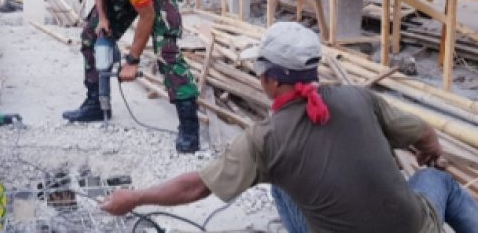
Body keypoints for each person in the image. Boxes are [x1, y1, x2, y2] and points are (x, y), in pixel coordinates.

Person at [100, 22, 478, 233]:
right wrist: (430, 154)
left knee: (280, 185)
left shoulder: (265, 139)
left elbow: (196, 187)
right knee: (440, 183)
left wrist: (134, 198)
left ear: (272, 81)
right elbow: (426, 133)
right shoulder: (359, 98)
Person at [54, 0, 200, 153]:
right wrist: (102, 17)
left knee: (166, 52)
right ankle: (95, 103)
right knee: (90, 36)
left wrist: (132, 60)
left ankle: (190, 127)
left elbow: (147, 14)